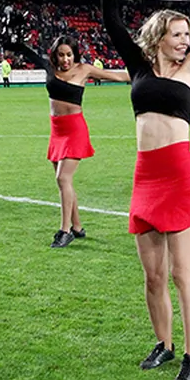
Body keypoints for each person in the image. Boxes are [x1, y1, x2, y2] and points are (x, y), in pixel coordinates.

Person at [102, 0, 190, 380]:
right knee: (153, 276)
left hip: (180, 176)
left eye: (187, 35)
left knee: (181, 271)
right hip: (145, 177)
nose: (185, 41)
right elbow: (110, 19)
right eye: (177, 34)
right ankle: (164, 343)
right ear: (159, 35)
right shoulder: (139, 67)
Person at [46, 35, 129, 248]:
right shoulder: (51, 70)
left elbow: (117, 76)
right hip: (57, 130)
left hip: (74, 129)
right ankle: (77, 227)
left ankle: (65, 231)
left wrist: (147, 73)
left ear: (75, 54)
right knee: (64, 182)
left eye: (69, 54)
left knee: (63, 178)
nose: (65, 59)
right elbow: (23, 51)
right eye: (61, 55)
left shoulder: (84, 69)